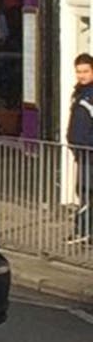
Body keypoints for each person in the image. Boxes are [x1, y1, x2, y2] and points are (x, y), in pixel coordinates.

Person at [68, 53, 93, 244]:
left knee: (86, 190)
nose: (81, 75)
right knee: (83, 190)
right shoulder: (79, 92)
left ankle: (83, 230)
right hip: (80, 151)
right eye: (78, 72)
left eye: (85, 71)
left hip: (89, 151)